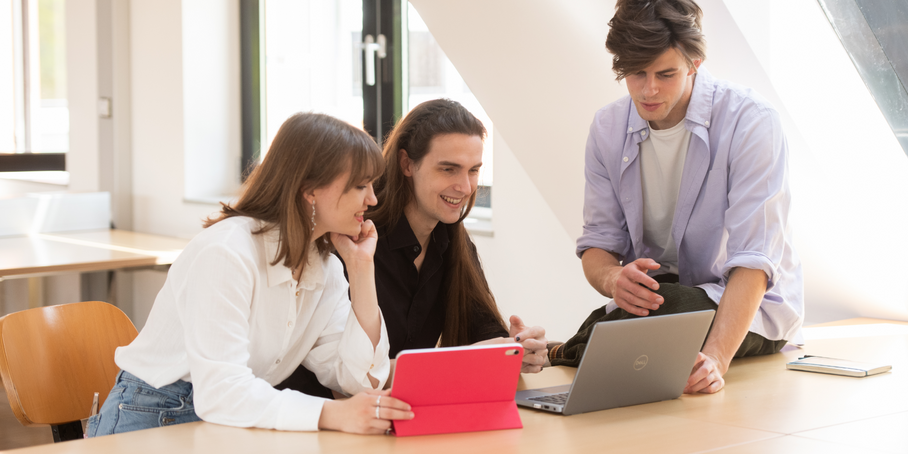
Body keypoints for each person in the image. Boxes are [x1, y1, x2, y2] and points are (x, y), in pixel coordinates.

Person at [88, 113, 413, 437]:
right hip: (154, 415)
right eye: (360, 186)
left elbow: (359, 378)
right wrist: (331, 413)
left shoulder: (323, 265)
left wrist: (361, 270)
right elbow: (220, 392)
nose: (372, 199)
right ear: (310, 189)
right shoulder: (227, 252)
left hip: (232, 419)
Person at [550, 0, 803, 394]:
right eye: (636, 74)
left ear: (695, 62)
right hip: (665, 294)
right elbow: (598, 245)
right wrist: (615, 278)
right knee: (659, 303)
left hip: (744, 307)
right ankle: (575, 347)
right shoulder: (607, 127)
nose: (649, 90)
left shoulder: (751, 121)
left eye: (666, 74)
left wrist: (716, 360)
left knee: (672, 307)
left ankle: (563, 350)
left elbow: (754, 260)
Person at [278, 99, 548, 396]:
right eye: (449, 169)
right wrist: (468, 359)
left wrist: (515, 347)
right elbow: (358, 375)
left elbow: (483, 333)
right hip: (318, 414)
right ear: (407, 164)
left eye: (473, 170)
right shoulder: (353, 238)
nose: (466, 187)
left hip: (394, 415)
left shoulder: (452, 242)